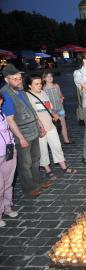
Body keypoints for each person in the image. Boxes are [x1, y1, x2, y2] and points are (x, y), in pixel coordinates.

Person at [0, 64, 51, 198]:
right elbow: (10, 120)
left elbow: (31, 110)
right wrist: (21, 138)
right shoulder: (6, 94)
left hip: (33, 129)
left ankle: (38, 181)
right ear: (7, 80)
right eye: (15, 79)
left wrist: (40, 124)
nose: (19, 80)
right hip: (22, 134)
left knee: (36, 159)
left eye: (20, 78)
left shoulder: (22, 91)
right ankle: (29, 188)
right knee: (25, 163)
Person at [25, 74, 77, 180]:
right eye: (36, 84)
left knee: (57, 145)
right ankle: (48, 169)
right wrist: (40, 126)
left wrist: (54, 113)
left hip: (50, 125)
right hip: (40, 128)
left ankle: (63, 166)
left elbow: (49, 107)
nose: (39, 86)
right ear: (30, 86)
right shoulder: (27, 96)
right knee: (43, 149)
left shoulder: (43, 93)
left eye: (40, 83)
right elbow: (32, 114)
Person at [0, 93, 18, 227]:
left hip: (9, 152)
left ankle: (7, 207)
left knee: (8, 182)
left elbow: (9, 130)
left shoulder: (3, 114)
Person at [42, 72, 73, 144]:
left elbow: (60, 94)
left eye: (51, 76)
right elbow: (45, 101)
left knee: (63, 123)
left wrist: (61, 98)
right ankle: (54, 142)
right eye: (47, 76)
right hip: (51, 110)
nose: (50, 78)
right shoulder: (43, 89)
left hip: (59, 108)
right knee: (52, 125)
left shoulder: (56, 86)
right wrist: (51, 111)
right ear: (44, 79)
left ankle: (66, 140)